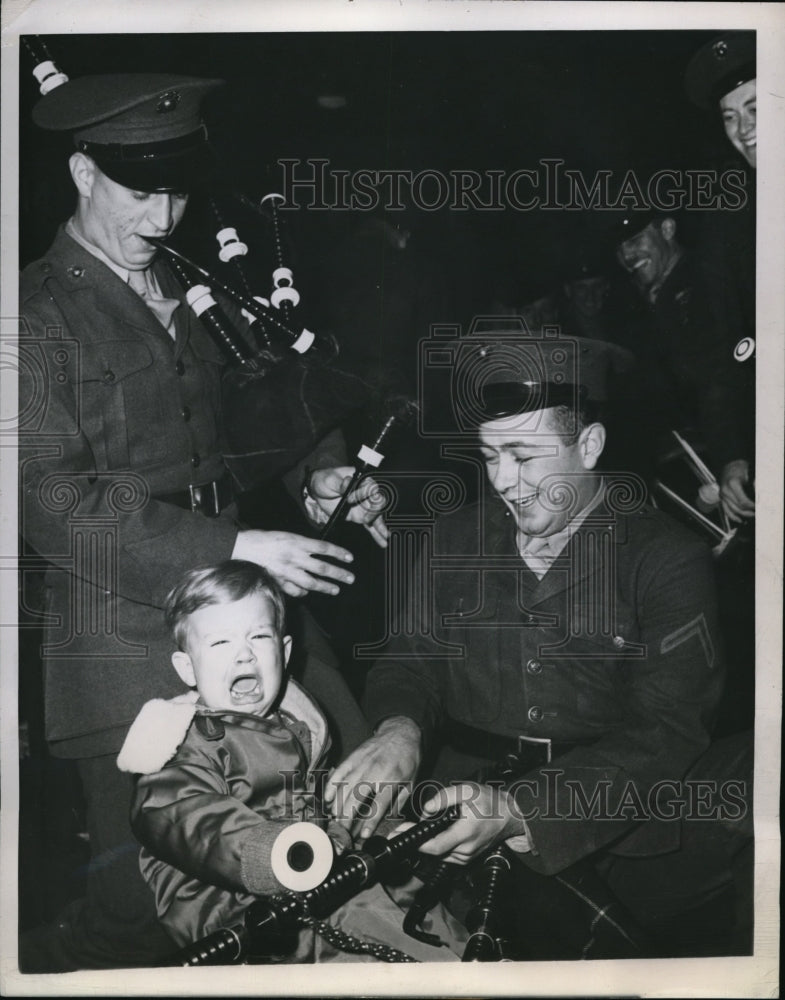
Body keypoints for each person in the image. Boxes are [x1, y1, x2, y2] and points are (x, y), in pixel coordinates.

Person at [18, 72, 384, 971]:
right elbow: (49, 502)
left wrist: (318, 472)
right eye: (140, 193)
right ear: (81, 172)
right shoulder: (30, 315)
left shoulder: (191, 286)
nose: (161, 219)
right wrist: (232, 543)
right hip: (124, 652)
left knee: (336, 857)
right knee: (143, 915)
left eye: (176, 194)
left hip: (256, 620)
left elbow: (252, 421)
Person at [325, 333, 753, 956]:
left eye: (524, 457)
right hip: (455, 820)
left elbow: (666, 733)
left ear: (590, 445)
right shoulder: (454, 536)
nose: (503, 480)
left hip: (619, 828)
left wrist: (522, 810)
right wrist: (399, 729)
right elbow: (410, 663)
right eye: (489, 456)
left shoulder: (667, 558)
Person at [118, 560, 466, 963]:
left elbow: (319, 800)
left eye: (259, 637)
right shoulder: (183, 742)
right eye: (220, 644)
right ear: (186, 668)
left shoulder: (296, 723)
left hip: (325, 869)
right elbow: (178, 813)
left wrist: (383, 825)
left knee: (426, 912)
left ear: (284, 652)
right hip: (241, 905)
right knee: (381, 943)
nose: (244, 656)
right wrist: (272, 851)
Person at [685, 31, 756, 524]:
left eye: (755, 108)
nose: (743, 130)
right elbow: (721, 351)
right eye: (730, 117)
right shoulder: (728, 223)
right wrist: (733, 456)